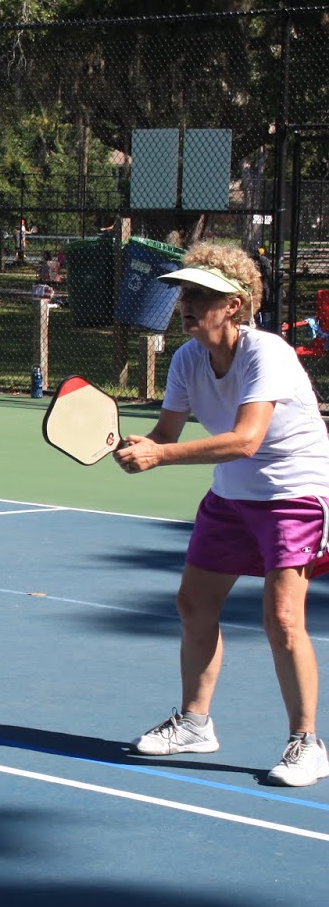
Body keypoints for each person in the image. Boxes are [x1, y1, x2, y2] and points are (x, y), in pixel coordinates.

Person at [115, 241, 329, 786]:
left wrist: (160, 455)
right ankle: (194, 723)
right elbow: (166, 434)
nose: (186, 303)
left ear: (234, 304)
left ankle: (307, 743)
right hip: (232, 494)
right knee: (193, 602)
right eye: (184, 293)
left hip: (294, 492)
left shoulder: (268, 353)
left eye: (200, 294)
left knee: (283, 619)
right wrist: (143, 445)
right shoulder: (187, 358)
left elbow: (246, 439)